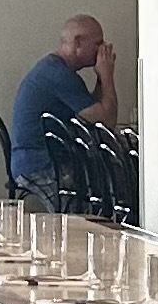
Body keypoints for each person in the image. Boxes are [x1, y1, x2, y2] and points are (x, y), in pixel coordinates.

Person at [8, 16, 109, 191]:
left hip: (29, 161)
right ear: (78, 43)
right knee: (112, 179)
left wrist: (101, 78)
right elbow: (105, 121)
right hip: (41, 167)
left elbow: (92, 113)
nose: (102, 49)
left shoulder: (54, 69)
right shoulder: (59, 75)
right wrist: (108, 75)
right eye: (98, 43)